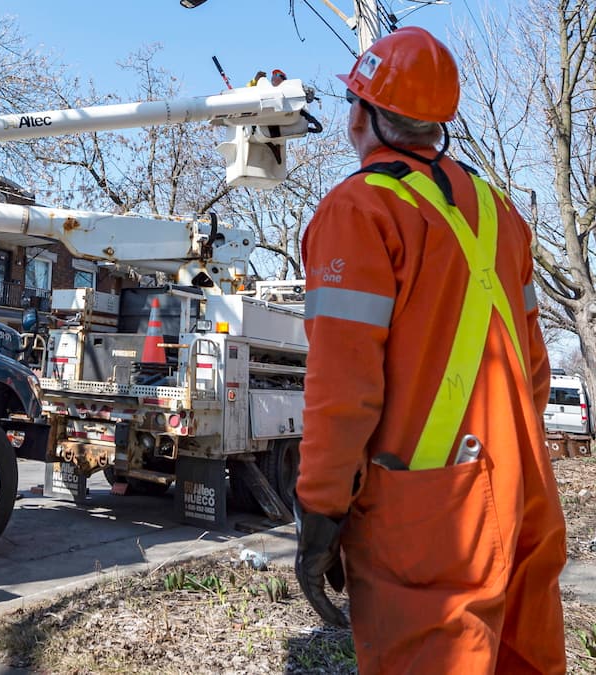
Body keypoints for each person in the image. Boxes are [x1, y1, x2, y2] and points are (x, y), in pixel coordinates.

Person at [294, 26, 567, 674]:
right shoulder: (503, 216)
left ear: (366, 117)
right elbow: (532, 372)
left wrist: (320, 513)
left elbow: (341, 390)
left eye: (352, 104)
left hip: (430, 524)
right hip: (523, 494)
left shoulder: (359, 212)